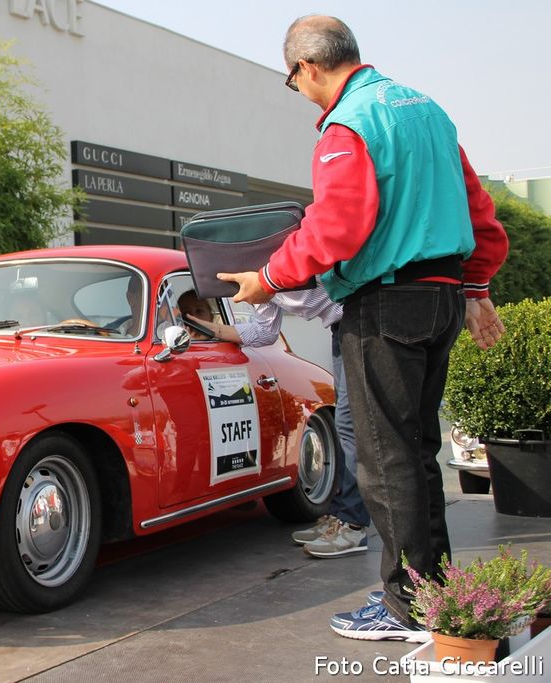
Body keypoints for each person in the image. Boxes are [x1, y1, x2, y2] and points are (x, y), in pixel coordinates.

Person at [217, 16, 509, 642]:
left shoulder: (348, 124)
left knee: (383, 459)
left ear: (306, 68)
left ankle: (407, 610)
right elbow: (480, 214)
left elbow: (336, 229)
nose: (299, 92)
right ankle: (436, 597)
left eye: (292, 80)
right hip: (441, 299)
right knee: (416, 453)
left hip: (386, 307)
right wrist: (477, 288)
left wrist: (266, 279)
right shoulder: (427, 111)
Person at [181, 285, 371, 559]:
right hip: (341, 326)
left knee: (349, 425)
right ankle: (341, 515)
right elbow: (264, 331)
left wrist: (268, 279)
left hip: (362, 316)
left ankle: (353, 523)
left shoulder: (271, 271)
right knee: (345, 426)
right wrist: (213, 329)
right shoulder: (255, 284)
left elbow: (317, 282)